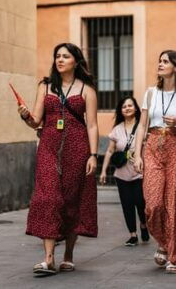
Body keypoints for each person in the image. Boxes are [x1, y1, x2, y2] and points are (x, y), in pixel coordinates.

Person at [18, 43, 99, 276]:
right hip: (49, 146)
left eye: (65, 56)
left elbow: (92, 125)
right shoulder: (45, 86)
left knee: (72, 201)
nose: (60, 60)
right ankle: (48, 258)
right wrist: (26, 117)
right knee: (48, 197)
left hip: (77, 148)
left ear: (76, 61)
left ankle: (68, 255)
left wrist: (93, 155)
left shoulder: (86, 90)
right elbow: (36, 121)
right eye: (57, 56)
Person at [130, 50, 176, 274]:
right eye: (159, 60)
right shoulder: (150, 93)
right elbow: (142, 125)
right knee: (153, 204)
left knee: (174, 203)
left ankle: (173, 254)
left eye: (165, 61)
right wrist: (137, 152)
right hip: (152, 146)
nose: (159, 64)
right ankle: (162, 240)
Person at [99, 97, 149, 246]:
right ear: (121, 111)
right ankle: (133, 234)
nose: (127, 108)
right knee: (127, 204)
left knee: (141, 202)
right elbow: (109, 151)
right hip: (121, 174)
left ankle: (143, 224)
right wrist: (103, 171)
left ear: (135, 108)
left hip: (140, 172)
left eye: (130, 105)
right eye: (124, 106)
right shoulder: (117, 129)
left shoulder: (142, 126)